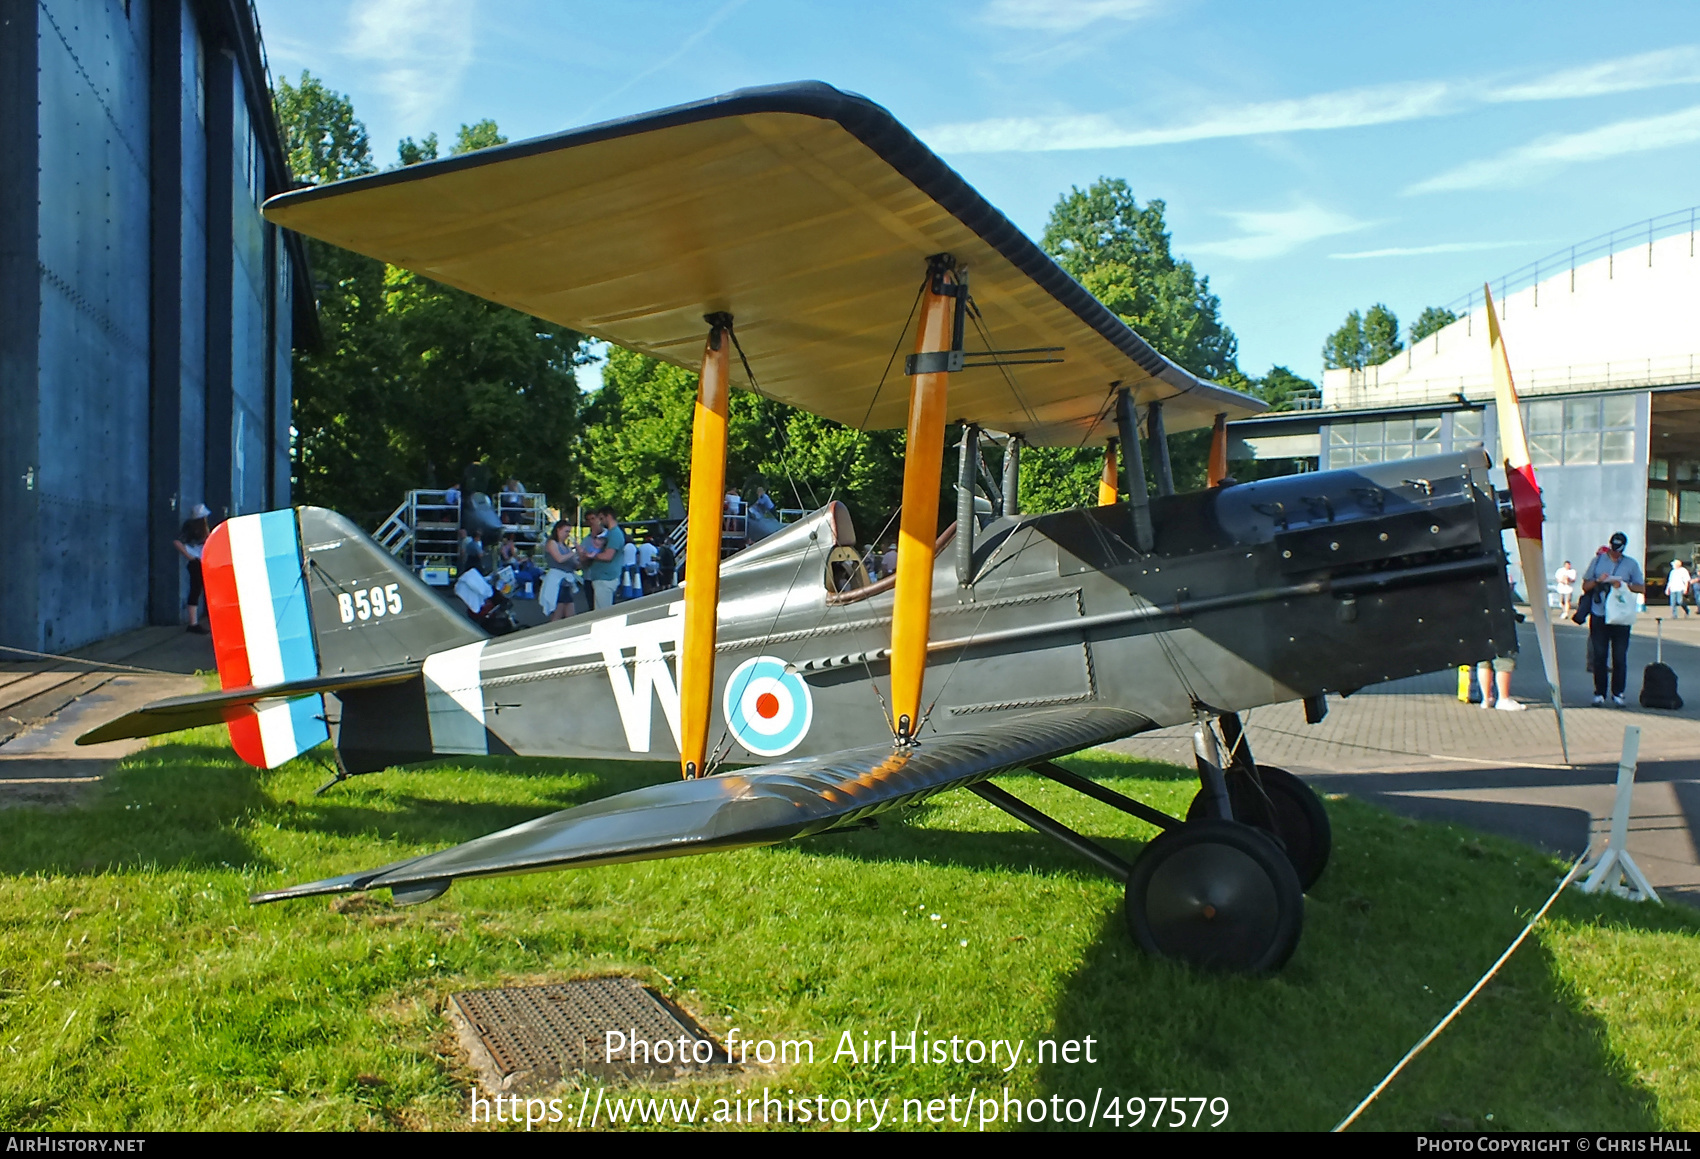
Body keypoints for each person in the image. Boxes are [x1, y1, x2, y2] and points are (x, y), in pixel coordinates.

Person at [1581, 531, 1645, 707]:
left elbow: (1641, 587)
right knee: (1600, 656)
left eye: (1619, 550)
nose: (1616, 553)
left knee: (1620, 656)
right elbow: (1585, 585)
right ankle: (1599, 693)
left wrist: (1624, 584)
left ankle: (1618, 693)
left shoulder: (1631, 564)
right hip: (1600, 614)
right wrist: (1598, 581)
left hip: (1620, 617)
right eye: (1613, 548)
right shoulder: (1598, 561)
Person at [173, 504, 212, 634]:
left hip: (200, 560)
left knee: (197, 590)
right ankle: (193, 623)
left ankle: (194, 622)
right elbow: (177, 542)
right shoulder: (192, 527)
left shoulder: (198, 528)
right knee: (196, 590)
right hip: (197, 561)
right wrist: (190, 557)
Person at [580, 506, 626, 610]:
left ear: (608, 516)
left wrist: (592, 555)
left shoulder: (614, 534)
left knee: (602, 611)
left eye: (601, 518)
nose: (600, 522)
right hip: (602, 577)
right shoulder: (611, 533)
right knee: (600, 609)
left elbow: (608, 556)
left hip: (606, 578)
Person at [539, 520, 579, 621]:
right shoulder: (552, 543)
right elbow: (559, 558)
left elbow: (576, 565)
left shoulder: (565, 547)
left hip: (566, 582)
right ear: (558, 530)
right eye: (566, 531)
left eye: (569, 532)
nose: (567, 534)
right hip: (557, 581)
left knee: (570, 614)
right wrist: (573, 552)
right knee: (558, 612)